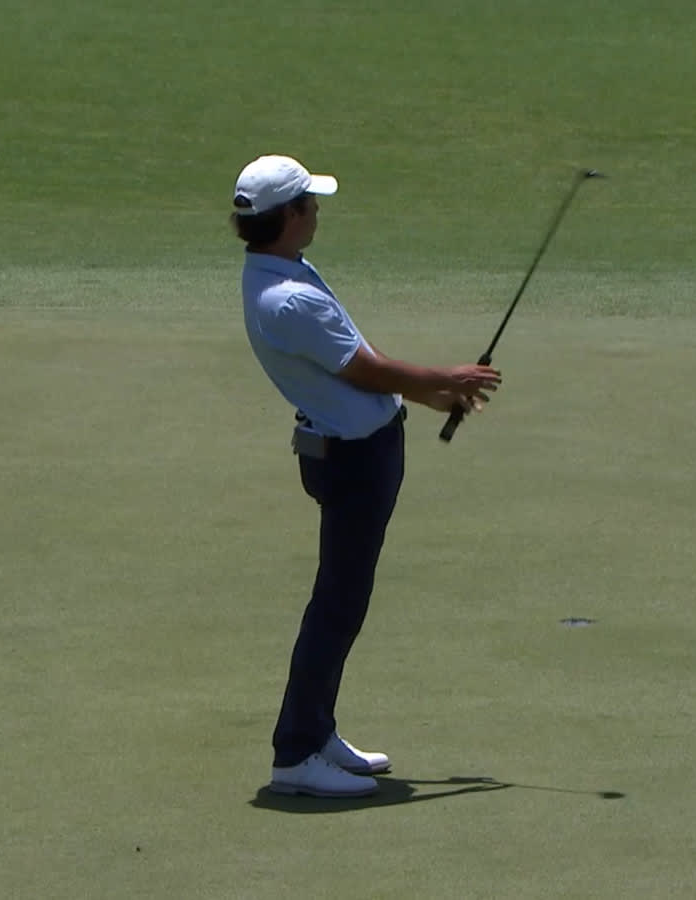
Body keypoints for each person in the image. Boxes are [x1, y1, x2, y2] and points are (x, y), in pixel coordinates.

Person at [232, 154, 503, 798]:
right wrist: (448, 380)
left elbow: (361, 360)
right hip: (352, 462)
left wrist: (431, 397)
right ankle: (296, 753)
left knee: (343, 603)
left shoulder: (284, 272)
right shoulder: (288, 298)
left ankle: (316, 732)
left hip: (353, 450)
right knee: (336, 606)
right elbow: (367, 372)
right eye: (310, 202)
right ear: (290, 215)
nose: (318, 210)